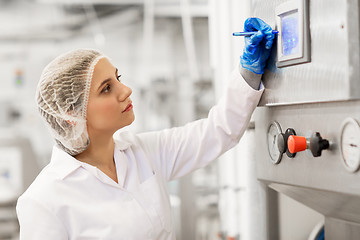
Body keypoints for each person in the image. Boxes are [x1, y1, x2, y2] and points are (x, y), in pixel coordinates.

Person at [16, 17, 275, 239]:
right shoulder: (44, 200)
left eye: (118, 79)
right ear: (71, 114)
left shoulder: (142, 152)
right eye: (106, 88)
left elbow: (218, 131)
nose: (126, 90)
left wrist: (248, 70)